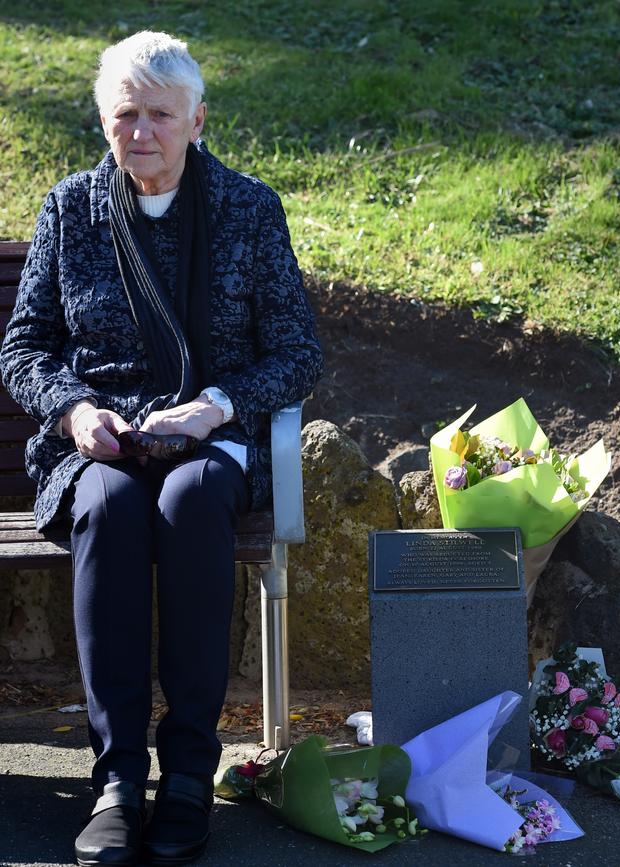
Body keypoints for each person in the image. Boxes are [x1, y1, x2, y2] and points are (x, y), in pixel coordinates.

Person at [0, 30, 323, 867]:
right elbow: (23, 347)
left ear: (197, 120)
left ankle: (186, 771)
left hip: (207, 441)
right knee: (108, 506)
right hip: (98, 441)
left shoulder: (250, 209)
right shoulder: (70, 208)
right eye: (125, 114)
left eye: (161, 115)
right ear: (103, 120)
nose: (142, 131)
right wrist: (73, 412)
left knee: (189, 500)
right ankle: (115, 779)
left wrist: (214, 408)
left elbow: (296, 354)